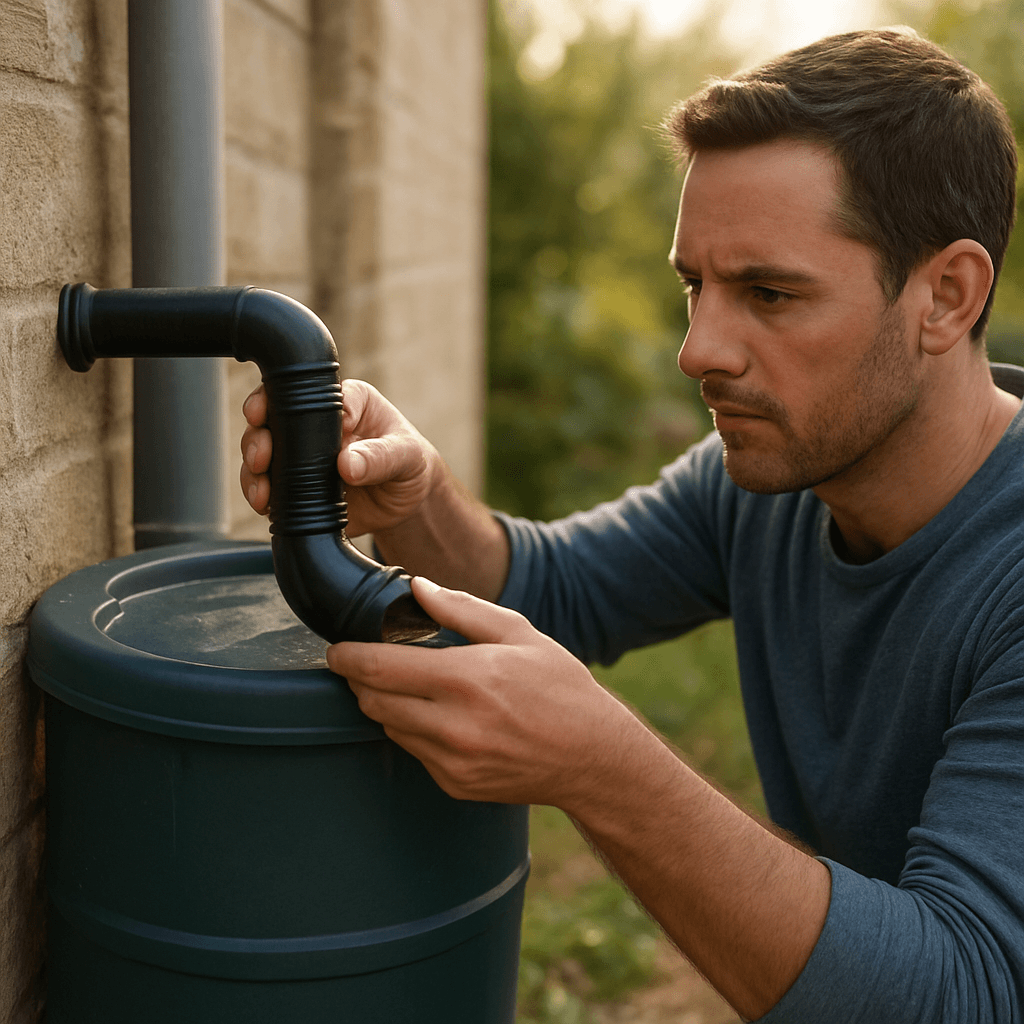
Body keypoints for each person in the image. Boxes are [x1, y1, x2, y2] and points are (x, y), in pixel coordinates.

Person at [240, 28, 1024, 1022]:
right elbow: (554, 594)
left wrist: (604, 766)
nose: (698, 351)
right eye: (695, 285)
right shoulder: (762, 485)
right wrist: (418, 498)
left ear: (946, 296)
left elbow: (968, 995)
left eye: (769, 294)